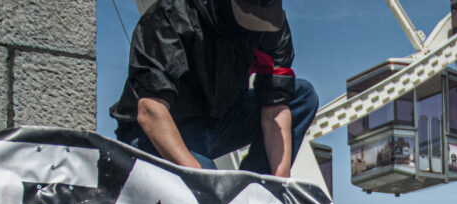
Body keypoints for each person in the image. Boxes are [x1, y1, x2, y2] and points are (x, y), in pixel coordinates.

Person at [110, 0, 318, 175]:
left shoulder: (272, 28)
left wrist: (279, 184)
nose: (255, 26)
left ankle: (256, 190)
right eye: (249, 17)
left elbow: (275, 108)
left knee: (302, 96)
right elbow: (149, 110)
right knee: (206, 186)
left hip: (216, 119)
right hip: (158, 127)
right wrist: (207, 186)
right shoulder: (171, 16)